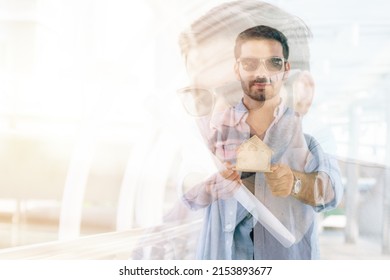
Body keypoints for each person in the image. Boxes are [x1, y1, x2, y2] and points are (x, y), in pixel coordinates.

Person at [177, 0, 343, 259]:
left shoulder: (307, 148)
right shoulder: (209, 156)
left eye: (235, 93)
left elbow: (329, 193)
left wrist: (296, 182)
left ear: (300, 94)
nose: (215, 120)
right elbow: (188, 187)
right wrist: (207, 188)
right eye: (201, 97)